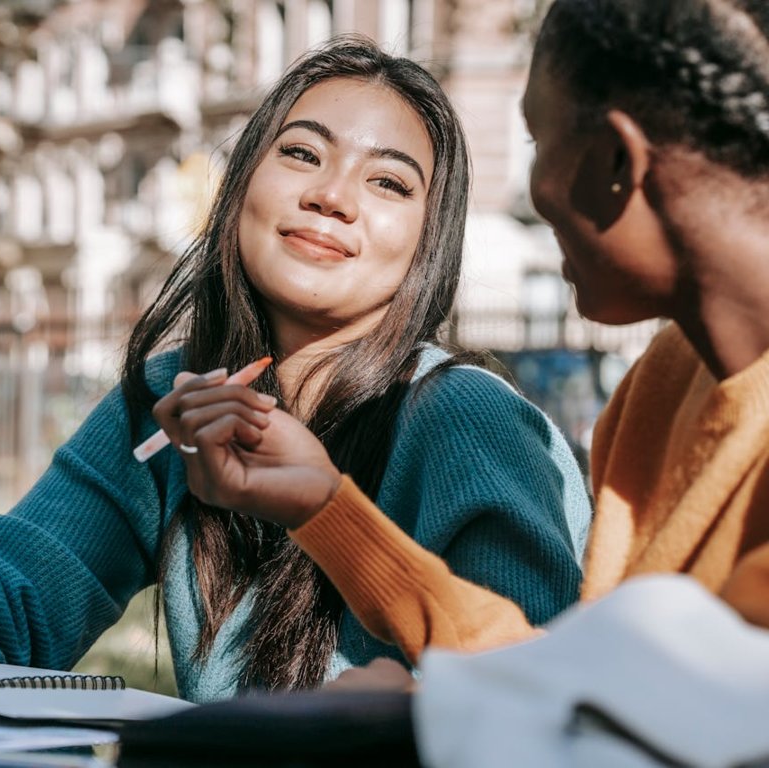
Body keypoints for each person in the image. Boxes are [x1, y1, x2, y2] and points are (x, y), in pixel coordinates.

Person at [0, 36, 592, 702]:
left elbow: (535, 680)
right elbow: (27, 580)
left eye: (388, 182)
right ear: (240, 188)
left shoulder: (466, 418)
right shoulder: (171, 397)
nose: (332, 195)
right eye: (301, 154)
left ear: (427, 248)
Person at [153, 0, 769, 667]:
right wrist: (325, 508)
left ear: (616, 162)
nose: (530, 188)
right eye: (300, 154)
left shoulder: (474, 413)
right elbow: (571, 678)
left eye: (535, 139)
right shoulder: (664, 383)